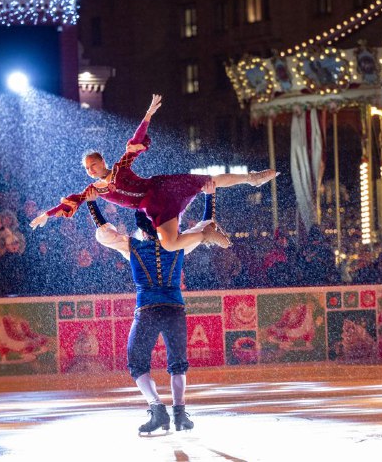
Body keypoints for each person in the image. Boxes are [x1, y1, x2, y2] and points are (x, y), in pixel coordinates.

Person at [30, 94, 278, 252]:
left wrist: (148, 114)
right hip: (152, 207)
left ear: (102, 161)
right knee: (169, 244)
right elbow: (71, 202)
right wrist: (46, 215)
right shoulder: (93, 190)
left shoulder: (120, 167)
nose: (90, 170)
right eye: (86, 168)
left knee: (207, 181)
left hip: (159, 188)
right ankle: (205, 234)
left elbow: (136, 141)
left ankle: (251, 178)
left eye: (93, 164)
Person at [87, 180, 222, 434]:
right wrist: (209, 197)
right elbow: (205, 229)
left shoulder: (132, 246)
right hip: (174, 310)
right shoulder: (179, 244)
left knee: (137, 364)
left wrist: (93, 205)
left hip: (147, 311)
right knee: (178, 364)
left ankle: (158, 409)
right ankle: (179, 414)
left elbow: (105, 234)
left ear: (141, 227)